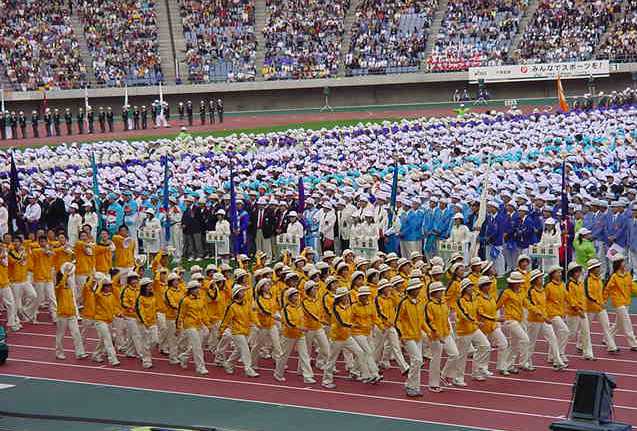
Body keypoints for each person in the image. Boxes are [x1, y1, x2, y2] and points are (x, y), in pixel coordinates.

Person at [322, 287, 372, 389]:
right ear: (340, 298)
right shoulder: (335, 308)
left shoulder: (349, 306)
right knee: (332, 360)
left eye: (347, 295)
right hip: (337, 338)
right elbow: (341, 322)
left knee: (360, 352)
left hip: (347, 336)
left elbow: (352, 318)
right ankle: (326, 381)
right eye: (344, 296)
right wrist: (354, 325)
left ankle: (364, 375)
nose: (346, 297)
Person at [526, 269, 567, 371]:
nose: (542, 279)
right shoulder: (531, 291)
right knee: (531, 343)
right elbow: (533, 307)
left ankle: (557, 361)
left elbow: (544, 305)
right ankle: (526, 362)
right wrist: (544, 317)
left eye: (541, 277)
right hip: (534, 320)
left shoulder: (543, 290)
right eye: (540, 278)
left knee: (553, 339)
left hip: (544, 319)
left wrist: (546, 316)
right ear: (535, 280)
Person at [275, 287, 316, 383]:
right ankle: (278, 374)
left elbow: (302, 319)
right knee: (284, 355)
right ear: (289, 297)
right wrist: (301, 328)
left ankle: (308, 376)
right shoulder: (286, 309)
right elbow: (289, 323)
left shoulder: (299, 307)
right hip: (288, 335)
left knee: (304, 355)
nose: (297, 297)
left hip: (300, 335)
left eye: (297, 295)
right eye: (294, 295)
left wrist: (303, 327)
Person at [219, 284, 259, 377]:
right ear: (236, 294)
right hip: (236, 332)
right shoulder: (232, 307)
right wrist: (220, 331)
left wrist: (257, 323)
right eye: (241, 291)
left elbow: (252, 315)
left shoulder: (247, 304)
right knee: (245, 349)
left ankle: (229, 363)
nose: (244, 292)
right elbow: (226, 321)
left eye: (243, 291)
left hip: (246, 330)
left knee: (239, 350)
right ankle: (248, 369)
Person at [425, 281, 457, 392]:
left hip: (446, 334)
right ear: (433, 293)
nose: (442, 292)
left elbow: (446, 319)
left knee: (455, 354)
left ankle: (444, 375)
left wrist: (448, 331)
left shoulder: (444, 303)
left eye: (442, 291)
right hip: (435, 336)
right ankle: (433, 384)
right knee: (436, 359)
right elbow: (429, 322)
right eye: (439, 291)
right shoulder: (429, 305)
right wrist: (438, 335)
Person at [496, 271, 530, 375]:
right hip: (510, 320)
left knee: (514, 345)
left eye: (520, 282)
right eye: (518, 282)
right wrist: (494, 318)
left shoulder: (521, 291)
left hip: (519, 320)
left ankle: (508, 366)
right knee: (525, 339)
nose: (520, 284)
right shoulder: (506, 293)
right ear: (512, 283)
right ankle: (523, 363)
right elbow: (497, 305)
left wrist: (538, 311)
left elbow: (526, 304)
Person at [54, 262, 87, 360]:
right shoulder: (58, 288)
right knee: (60, 335)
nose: (69, 279)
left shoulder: (69, 289)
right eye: (67, 279)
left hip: (72, 314)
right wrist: (66, 273)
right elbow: (61, 283)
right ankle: (59, 352)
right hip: (62, 315)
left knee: (76, 334)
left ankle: (80, 352)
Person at [585, 258, 618, 353]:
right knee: (587, 328)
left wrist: (603, 301)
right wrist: (597, 302)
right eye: (597, 267)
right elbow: (588, 295)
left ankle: (611, 346)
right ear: (592, 269)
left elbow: (602, 292)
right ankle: (580, 344)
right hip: (590, 308)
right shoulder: (587, 280)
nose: (599, 268)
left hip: (600, 307)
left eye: (599, 267)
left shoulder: (599, 279)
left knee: (606, 326)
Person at [176, 280, 209, 375]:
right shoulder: (185, 300)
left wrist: (207, 324)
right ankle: (200, 367)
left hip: (199, 324)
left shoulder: (200, 299)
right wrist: (178, 327)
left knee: (198, 344)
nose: (197, 290)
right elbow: (181, 314)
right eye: (195, 288)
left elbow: (203, 312)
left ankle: (184, 357)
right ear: (190, 290)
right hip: (189, 325)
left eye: (198, 288)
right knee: (197, 346)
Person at [606, 254, 637, 350]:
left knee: (618, 324)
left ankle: (607, 338)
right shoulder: (614, 277)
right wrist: (603, 300)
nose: (625, 263)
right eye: (623, 261)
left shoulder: (627, 275)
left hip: (626, 302)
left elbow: (632, 287)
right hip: (618, 303)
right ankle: (633, 343)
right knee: (627, 322)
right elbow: (607, 289)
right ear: (618, 264)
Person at [564, 262, 594, 360]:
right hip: (573, 313)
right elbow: (571, 300)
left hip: (582, 311)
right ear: (571, 273)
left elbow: (582, 297)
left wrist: (583, 309)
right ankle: (557, 350)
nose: (578, 273)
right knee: (570, 334)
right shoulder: (569, 284)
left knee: (586, 332)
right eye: (576, 272)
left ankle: (587, 353)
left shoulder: (580, 283)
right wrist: (578, 310)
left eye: (579, 271)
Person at [92, 274, 120, 366]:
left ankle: (96, 354)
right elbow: (96, 293)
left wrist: (118, 313)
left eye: (109, 286)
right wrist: (101, 283)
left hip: (109, 320)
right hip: (100, 320)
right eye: (106, 286)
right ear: (102, 287)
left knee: (104, 339)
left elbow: (114, 307)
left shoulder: (111, 295)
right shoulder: (98, 295)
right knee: (108, 339)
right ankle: (113, 359)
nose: (108, 288)